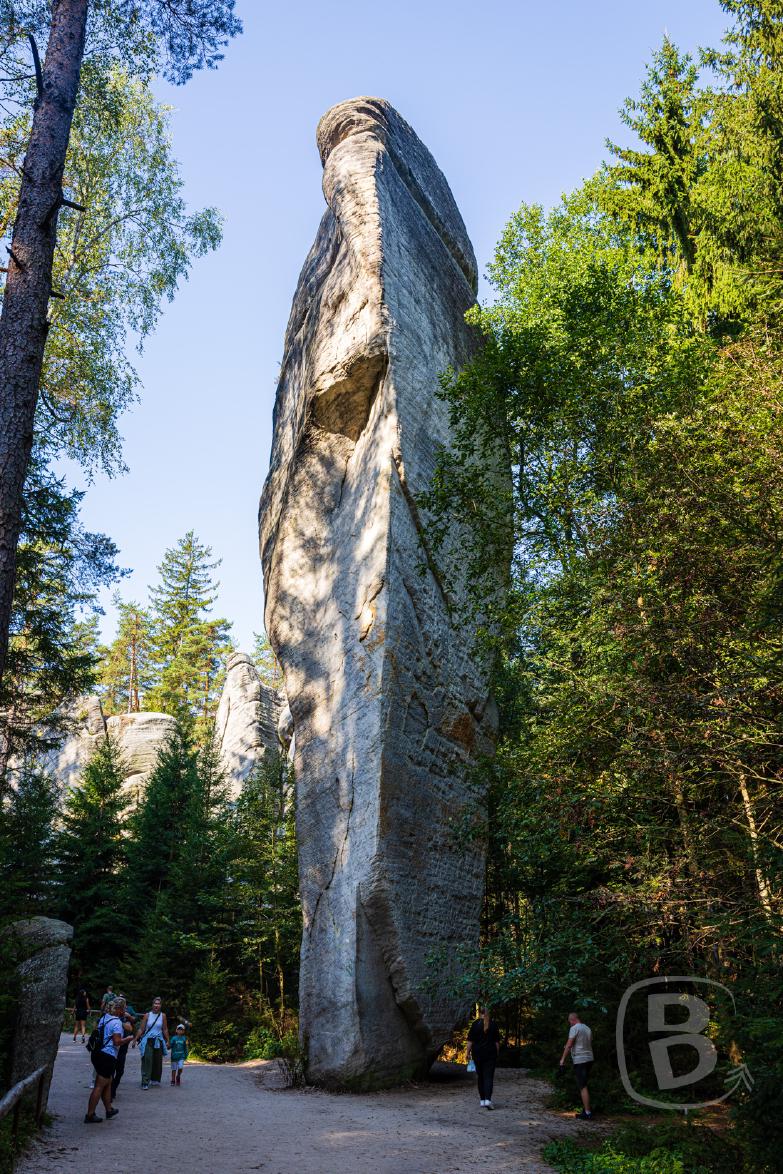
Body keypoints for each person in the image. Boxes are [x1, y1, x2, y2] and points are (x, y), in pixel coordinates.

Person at [84, 997, 133, 1124]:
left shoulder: (105, 1017)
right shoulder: (116, 1022)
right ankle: (90, 1115)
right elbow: (117, 1041)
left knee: (108, 1081)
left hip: (97, 1053)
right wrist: (128, 1039)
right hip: (107, 1056)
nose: (125, 1011)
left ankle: (109, 1109)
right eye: (124, 1008)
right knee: (99, 1085)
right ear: (119, 1009)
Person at [559, 1011, 594, 1120]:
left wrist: (562, 1059)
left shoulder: (574, 1028)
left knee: (582, 1086)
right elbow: (586, 1043)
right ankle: (586, 1109)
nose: (570, 1024)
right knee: (584, 1084)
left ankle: (587, 1113)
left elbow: (569, 1045)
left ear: (573, 1019)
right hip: (589, 1059)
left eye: (570, 1021)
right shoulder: (587, 1028)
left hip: (580, 1060)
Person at [466, 1004, 501, 1109]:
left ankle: (482, 1100)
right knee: (488, 1077)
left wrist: (467, 1053)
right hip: (490, 1054)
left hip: (477, 1054)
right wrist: (497, 1053)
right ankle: (488, 1100)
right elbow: (496, 1042)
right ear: (488, 1013)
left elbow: (470, 1041)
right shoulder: (493, 1025)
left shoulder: (475, 1024)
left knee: (480, 1077)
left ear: (480, 1013)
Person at [136, 996, 169, 1089]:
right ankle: (145, 1081)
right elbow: (141, 1029)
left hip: (158, 1040)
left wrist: (168, 1040)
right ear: (152, 1005)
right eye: (155, 1003)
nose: (156, 1005)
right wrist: (135, 1039)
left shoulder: (163, 1016)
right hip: (148, 1040)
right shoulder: (147, 1015)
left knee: (157, 1061)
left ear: (160, 1005)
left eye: (158, 1004)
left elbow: (165, 1029)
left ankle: (155, 1079)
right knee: (147, 1059)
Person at [110, 1005, 135, 1102]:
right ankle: (110, 1091)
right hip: (111, 1047)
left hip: (122, 1047)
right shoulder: (110, 1016)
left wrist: (126, 1017)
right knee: (111, 1070)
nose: (123, 1010)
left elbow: (129, 1028)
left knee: (120, 1071)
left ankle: (113, 1088)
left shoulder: (125, 1017)